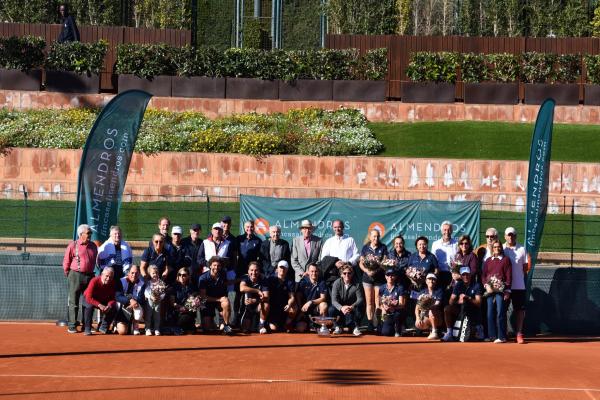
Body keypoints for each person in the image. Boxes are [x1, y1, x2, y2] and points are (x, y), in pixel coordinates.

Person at [62, 224, 97, 334]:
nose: (90, 235)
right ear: (81, 234)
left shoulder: (93, 246)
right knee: (74, 301)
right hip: (75, 275)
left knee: (88, 301)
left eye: (90, 233)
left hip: (90, 275)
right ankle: (72, 325)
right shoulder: (73, 245)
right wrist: (69, 274)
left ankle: (86, 325)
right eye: (88, 233)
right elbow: (66, 262)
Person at [442, 266, 483, 342]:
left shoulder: (476, 285)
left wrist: (468, 298)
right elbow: (451, 301)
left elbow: (478, 303)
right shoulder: (458, 285)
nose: (465, 276)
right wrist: (458, 301)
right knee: (447, 309)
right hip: (460, 311)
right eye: (463, 275)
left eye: (467, 274)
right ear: (461, 276)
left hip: (472, 311)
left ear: (470, 275)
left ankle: (477, 328)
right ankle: (449, 332)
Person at [482, 240, 512, 343]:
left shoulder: (506, 260)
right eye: (495, 247)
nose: (497, 248)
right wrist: (486, 285)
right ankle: (492, 336)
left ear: (501, 248)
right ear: (492, 248)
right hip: (490, 290)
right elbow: (484, 275)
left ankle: (502, 336)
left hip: (501, 290)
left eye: (499, 247)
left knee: (500, 312)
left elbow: (508, 276)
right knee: (489, 312)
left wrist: (507, 290)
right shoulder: (488, 260)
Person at [358, 229, 388, 332]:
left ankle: (378, 323)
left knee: (378, 302)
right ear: (370, 237)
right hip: (367, 278)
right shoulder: (365, 248)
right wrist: (367, 270)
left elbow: (384, 263)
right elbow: (361, 263)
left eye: (378, 236)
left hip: (379, 278)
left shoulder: (383, 247)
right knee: (369, 302)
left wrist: (376, 270)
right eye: (374, 236)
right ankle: (370, 323)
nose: (376, 238)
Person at [503, 227, 528, 344]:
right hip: (505, 286)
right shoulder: (501, 248)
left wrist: (518, 277)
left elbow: (525, 268)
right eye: (508, 235)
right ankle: (504, 332)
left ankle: (519, 333)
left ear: (516, 236)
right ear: (505, 236)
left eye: (512, 235)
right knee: (502, 310)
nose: (510, 237)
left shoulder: (522, 249)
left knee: (519, 310)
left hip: (519, 285)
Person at [198, 256, 233, 335]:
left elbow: (227, 283)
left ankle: (226, 325)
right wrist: (219, 299)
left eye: (218, 265)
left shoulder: (223, 274)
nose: (216, 267)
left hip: (219, 301)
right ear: (210, 266)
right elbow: (203, 297)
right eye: (214, 265)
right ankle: (211, 322)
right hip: (207, 301)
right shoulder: (203, 278)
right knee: (207, 328)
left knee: (226, 302)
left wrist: (240, 279)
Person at [329, 264, 364, 336]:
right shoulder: (336, 283)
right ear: (341, 274)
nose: (347, 275)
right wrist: (341, 308)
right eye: (344, 273)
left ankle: (356, 327)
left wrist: (352, 306)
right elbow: (334, 301)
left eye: (349, 273)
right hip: (340, 308)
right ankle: (337, 327)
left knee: (361, 307)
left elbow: (360, 299)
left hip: (352, 308)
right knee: (331, 309)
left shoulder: (357, 284)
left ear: (352, 274)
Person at [295, 263, 329, 333]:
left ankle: (321, 326)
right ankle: (309, 324)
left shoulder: (322, 282)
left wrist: (311, 302)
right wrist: (301, 310)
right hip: (304, 310)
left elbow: (323, 298)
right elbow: (298, 297)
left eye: (316, 271)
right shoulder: (303, 282)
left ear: (318, 272)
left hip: (315, 309)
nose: (314, 273)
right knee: (300, 329)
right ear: (308, 272)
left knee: (324, 305)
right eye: (312, 271)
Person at [83, 267, 117, 335]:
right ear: (102, 274)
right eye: (106, 276)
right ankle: (87, 328)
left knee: (113, 308)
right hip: (89, 299)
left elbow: (113, 298)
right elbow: (88, 297)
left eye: (110, 277)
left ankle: (103, 327)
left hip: (103, 299)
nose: (108, 278)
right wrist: (99, 305)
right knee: (89, 306)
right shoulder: (94, 281)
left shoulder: (112, 283)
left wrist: (109, 306)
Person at [239, 261, 270, 334]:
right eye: (251, 270)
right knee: (245, 330)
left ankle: (261, 325)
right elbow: (242, 288)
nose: (254, 272)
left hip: (258, 305)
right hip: (247, 307)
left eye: (256, 270)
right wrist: (257, 291)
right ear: (248, 271)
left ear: (259, 271)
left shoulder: (263, 279)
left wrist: (255, 300)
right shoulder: (245, 277)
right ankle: (252, 323)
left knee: (266, 304)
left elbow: (267, 297)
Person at [115, 265, 146, 335]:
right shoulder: (121, 281)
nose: (134, 275)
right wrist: (129, 300)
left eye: (136, 273)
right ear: (128, 273)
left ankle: (135, 325)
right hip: (123, 306)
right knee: (122, 331)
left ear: (139, 274)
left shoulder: (142, 284)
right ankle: (116, 322)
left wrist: (133, 301)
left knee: (139, 309)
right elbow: (118, 297)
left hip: (135, 305)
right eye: (132, 273)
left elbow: (141, 298)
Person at [266, 260, 297, 332]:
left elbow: (292, 297)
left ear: (287, 270)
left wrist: (289, 305)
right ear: (277, 269)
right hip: (273, 308)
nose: (282, 270)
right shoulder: (270, 279)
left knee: (294, 307)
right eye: (281, 267)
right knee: (273, 328)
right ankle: (267, 324)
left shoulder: (290, 282)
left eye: (284, 268)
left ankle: (287, 324)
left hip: (284, 307)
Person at [376, 268, 407, 337]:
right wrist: (383, 309)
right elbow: (379, 303)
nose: (390, 277)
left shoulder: (400, 288)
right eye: (388, 275)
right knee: (385, 332)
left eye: (392, 275)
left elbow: (402, 304)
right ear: (385, 277)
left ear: (395, 277)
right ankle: (386, 326)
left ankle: (399, 327)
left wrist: (393, 307)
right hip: (386, 312)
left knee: (399, 314)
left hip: (396, 312)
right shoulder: (381, 288)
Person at [169, 267, 198, 335]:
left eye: (184, 275)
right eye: (180, 275)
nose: (181, 276)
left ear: (188, 276)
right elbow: (172, 303)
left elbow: (195, 302)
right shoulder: (174, 287)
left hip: (189, 312)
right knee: (185, 318)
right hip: (177, 312)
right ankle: (177, 327)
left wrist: (189, 308)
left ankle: (183, 327)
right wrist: (181, 308)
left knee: (191, 331)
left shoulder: (192, 287)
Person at [414, 273, 444, 340]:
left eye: (433, 279)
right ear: (426, 281)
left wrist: (428, 305)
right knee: (418, 324)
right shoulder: (422, 292)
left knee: (431, 310)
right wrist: (418, 318)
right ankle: (430, 329)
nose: (431, 281)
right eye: (429, 279)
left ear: (436, 281)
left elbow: (437, 304)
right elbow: (417, 308)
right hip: (425, 316)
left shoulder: (439, 291)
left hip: (437, 317)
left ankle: (434, 331)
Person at [431, 220, 457, 289]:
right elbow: (433, 260)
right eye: (445, 230)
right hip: (439, 274)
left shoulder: (456, 244)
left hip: (452, 275)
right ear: (441, 231)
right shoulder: (435, 244)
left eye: (449, 230)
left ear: (451, 231)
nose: (447, 232)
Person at [144, 265, 166, 336]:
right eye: (153, 273)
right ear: (149, 274)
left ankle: (156, 329)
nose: (155, 274)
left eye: (156, 273)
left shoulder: (161, 283)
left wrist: (160, 298)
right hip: (150, 302)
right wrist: (150, 297)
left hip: (158, 302)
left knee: (157, 315)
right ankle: (147, 329)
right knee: (148, 315)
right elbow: (146, 292)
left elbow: (163, 292)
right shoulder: (148, 282)